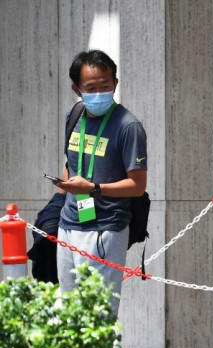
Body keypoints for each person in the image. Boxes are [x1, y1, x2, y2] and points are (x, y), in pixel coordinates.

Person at [53, 49, 147, 318]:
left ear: (115, 83)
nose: (98, 93)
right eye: (90, 88)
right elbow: (71, 161)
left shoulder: (129, 126)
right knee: (69, 313)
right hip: (68, 225)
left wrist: (93, 189)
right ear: (77, 89)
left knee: (98, 316)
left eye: (104, 86)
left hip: (105, 228)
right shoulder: (74, 115)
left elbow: (137, 185)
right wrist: (60, 198)